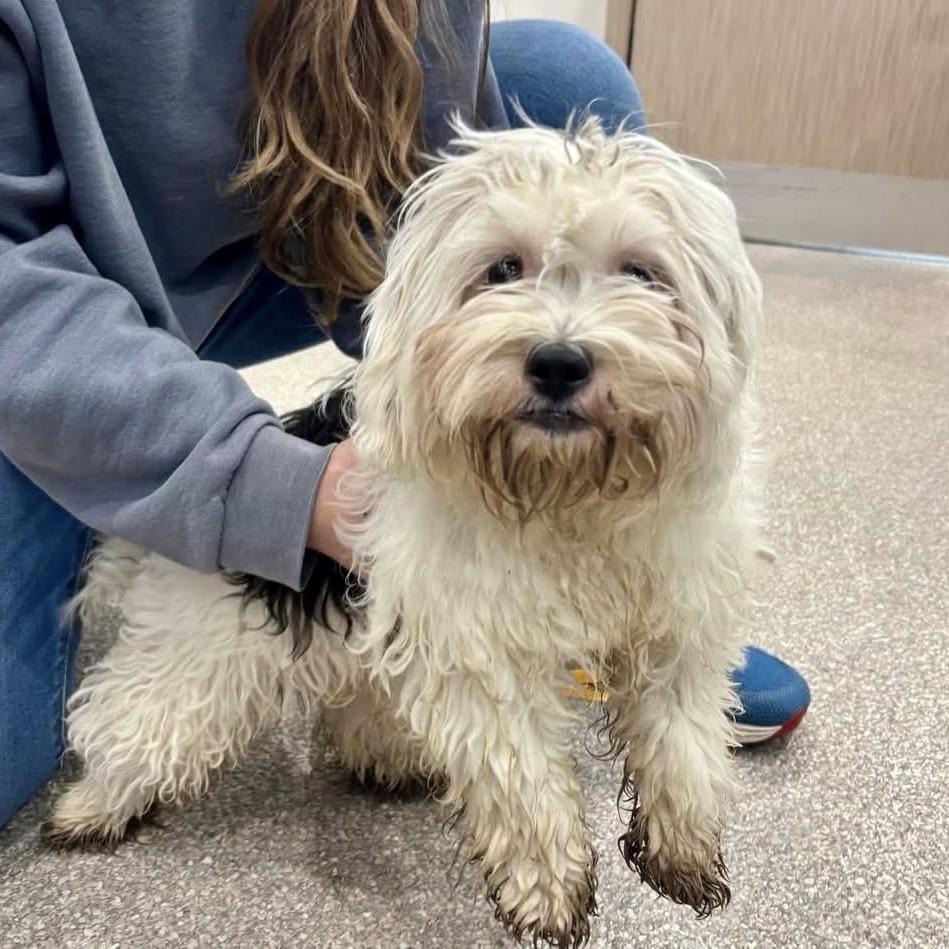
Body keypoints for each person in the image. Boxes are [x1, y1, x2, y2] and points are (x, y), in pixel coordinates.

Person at [0, 1, 810, 830]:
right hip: (34, 293)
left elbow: (425, 251)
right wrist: (270, 488)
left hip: (271, 228)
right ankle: (95, 457)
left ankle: (637, 591)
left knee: (563, 81)